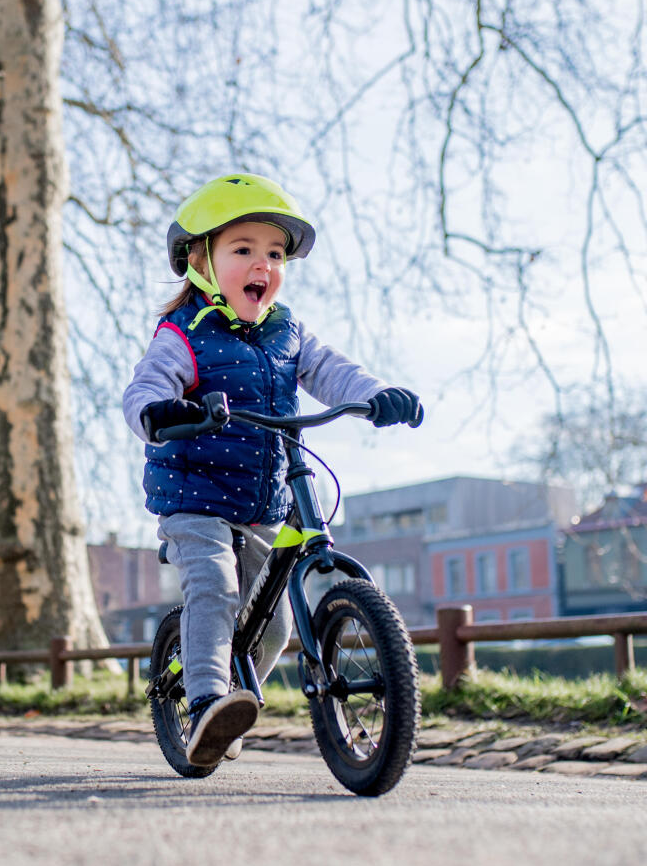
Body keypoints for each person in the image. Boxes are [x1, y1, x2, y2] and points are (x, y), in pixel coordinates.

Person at [123, 173, 423, 767]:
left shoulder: (288, 332)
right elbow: (146, 387)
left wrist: (377, 394)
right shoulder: (184, 333)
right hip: (195, 492)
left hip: (265, 499)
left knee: (277, 623)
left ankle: (232, 703)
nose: (263, 263)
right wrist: (161, 413)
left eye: (275, 253)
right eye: (243, 250)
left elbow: (333, 370)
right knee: (215, 586)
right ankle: (208, 700)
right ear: (199, 262)